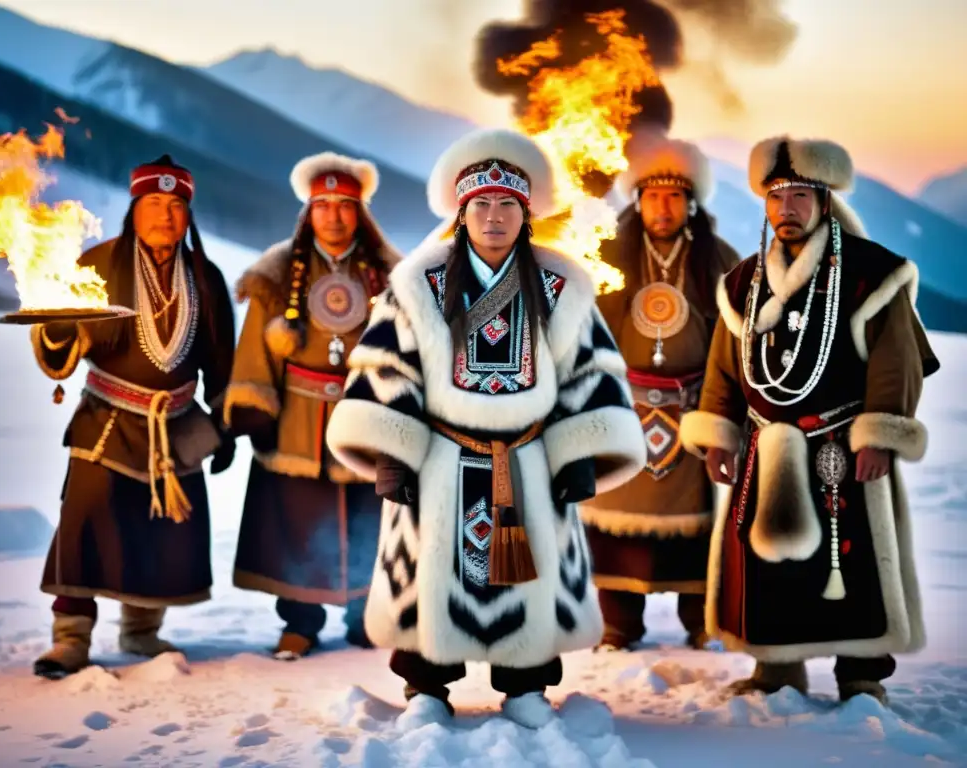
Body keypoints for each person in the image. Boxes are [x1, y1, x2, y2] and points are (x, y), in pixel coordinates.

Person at [324, 128, 647, 728]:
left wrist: (581, 449)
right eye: (481, 204)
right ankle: (426, 690)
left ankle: (526, 686)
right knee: (427, 570)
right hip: (440, 458)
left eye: (506, 205)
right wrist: (392, 446)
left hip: (528, 460)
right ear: (462, 212)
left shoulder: (562, 286)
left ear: (525, 215)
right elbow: (387, 363)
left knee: (532, 576)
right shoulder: (419, 284)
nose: (493, 216)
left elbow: (590, 368)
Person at [679, 136, 939, 705]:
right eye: (776, 197)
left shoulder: (873, 274)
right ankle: (777, 669)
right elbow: (724, 367)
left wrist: (881, 432)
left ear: (823, 200)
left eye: (800, 195)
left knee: (853, 557)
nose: (787, 209)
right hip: (761, 449)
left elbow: (895, 363)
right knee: (767, 568)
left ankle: (861, 676)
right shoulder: (743, 282)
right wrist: (718, 433)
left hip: (841, 443)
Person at [30, 155, 237, 679]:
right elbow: (62, 346)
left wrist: (225, 424)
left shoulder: (206, 278)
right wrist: (56, 334)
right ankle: (71, 638)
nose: (165, 216)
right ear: (133, 209)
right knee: (85, 524)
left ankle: (141, 631)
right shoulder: (96, 265)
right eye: (153, 204)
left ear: (187, 216)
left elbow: (221, 357)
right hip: (107, 419)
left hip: (179, 424)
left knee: (162, 531)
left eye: (175, 206)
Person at [224, 152, 402, 659]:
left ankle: (366, 615)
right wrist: (253, 401)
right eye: (322, 205)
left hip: (366, 413)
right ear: (308, 211)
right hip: (297, 419)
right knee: (297, 522)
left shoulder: (391, 275)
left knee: (371, 515)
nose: (334, 216)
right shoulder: (278, 272)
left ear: (359, 212)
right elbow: (257, 340)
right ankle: (299, 623)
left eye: (344, 205)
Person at [583, 132, 740, 651]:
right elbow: (581, 330)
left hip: (692, 406)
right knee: (614, 517)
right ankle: (619, 626)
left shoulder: (717, 258)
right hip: (621, 406)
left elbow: (735, 336)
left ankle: (700, 623)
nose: (663, 207)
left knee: (693, 526)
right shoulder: (607, 252)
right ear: (638, 199)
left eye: (674, 196)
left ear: (690, 202)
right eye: (653, 195)